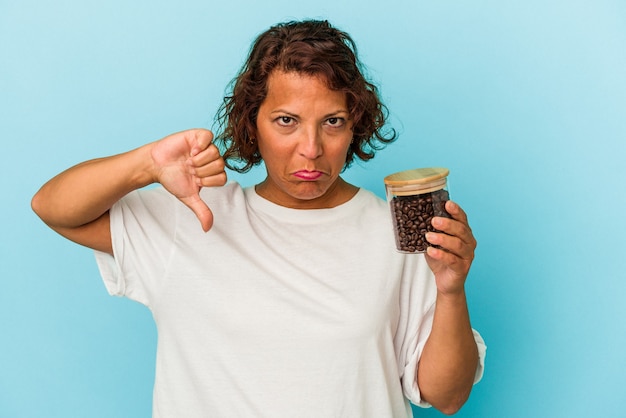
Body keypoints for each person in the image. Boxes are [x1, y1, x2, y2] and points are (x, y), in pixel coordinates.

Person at [32, 19, 486, 418]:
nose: (310, 148)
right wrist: (147, 164)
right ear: (252, 124)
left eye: (332, 122)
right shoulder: (193, 217)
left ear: (354, 126)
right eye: (286, 120)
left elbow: (445, 396)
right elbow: (52, 207)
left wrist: (451, 289)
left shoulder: (397, 231)